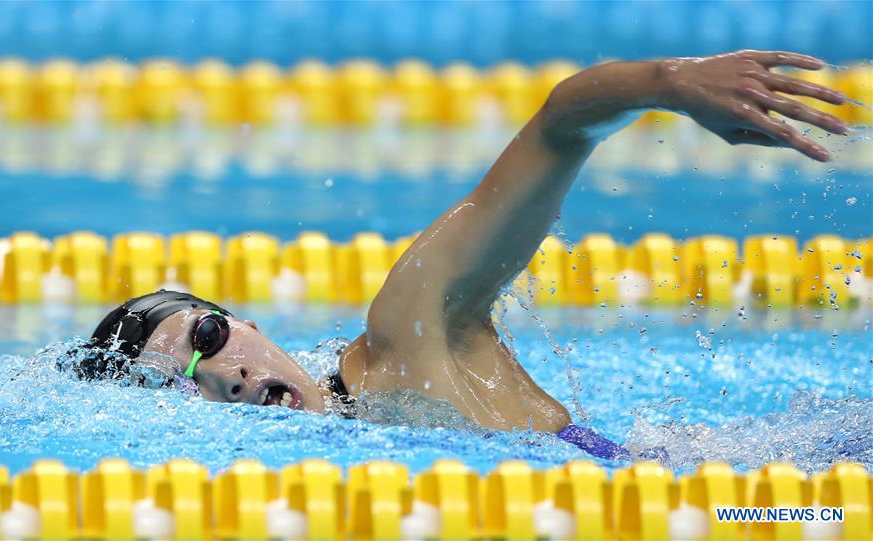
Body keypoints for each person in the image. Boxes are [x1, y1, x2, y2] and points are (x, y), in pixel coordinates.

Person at [76, 50, 847, 459]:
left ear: (238, 322)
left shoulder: (406, 337)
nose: (226, 375)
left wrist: (670, 84)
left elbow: (557, 123)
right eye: (187, 384)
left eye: (208, 340)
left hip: (755, 493)